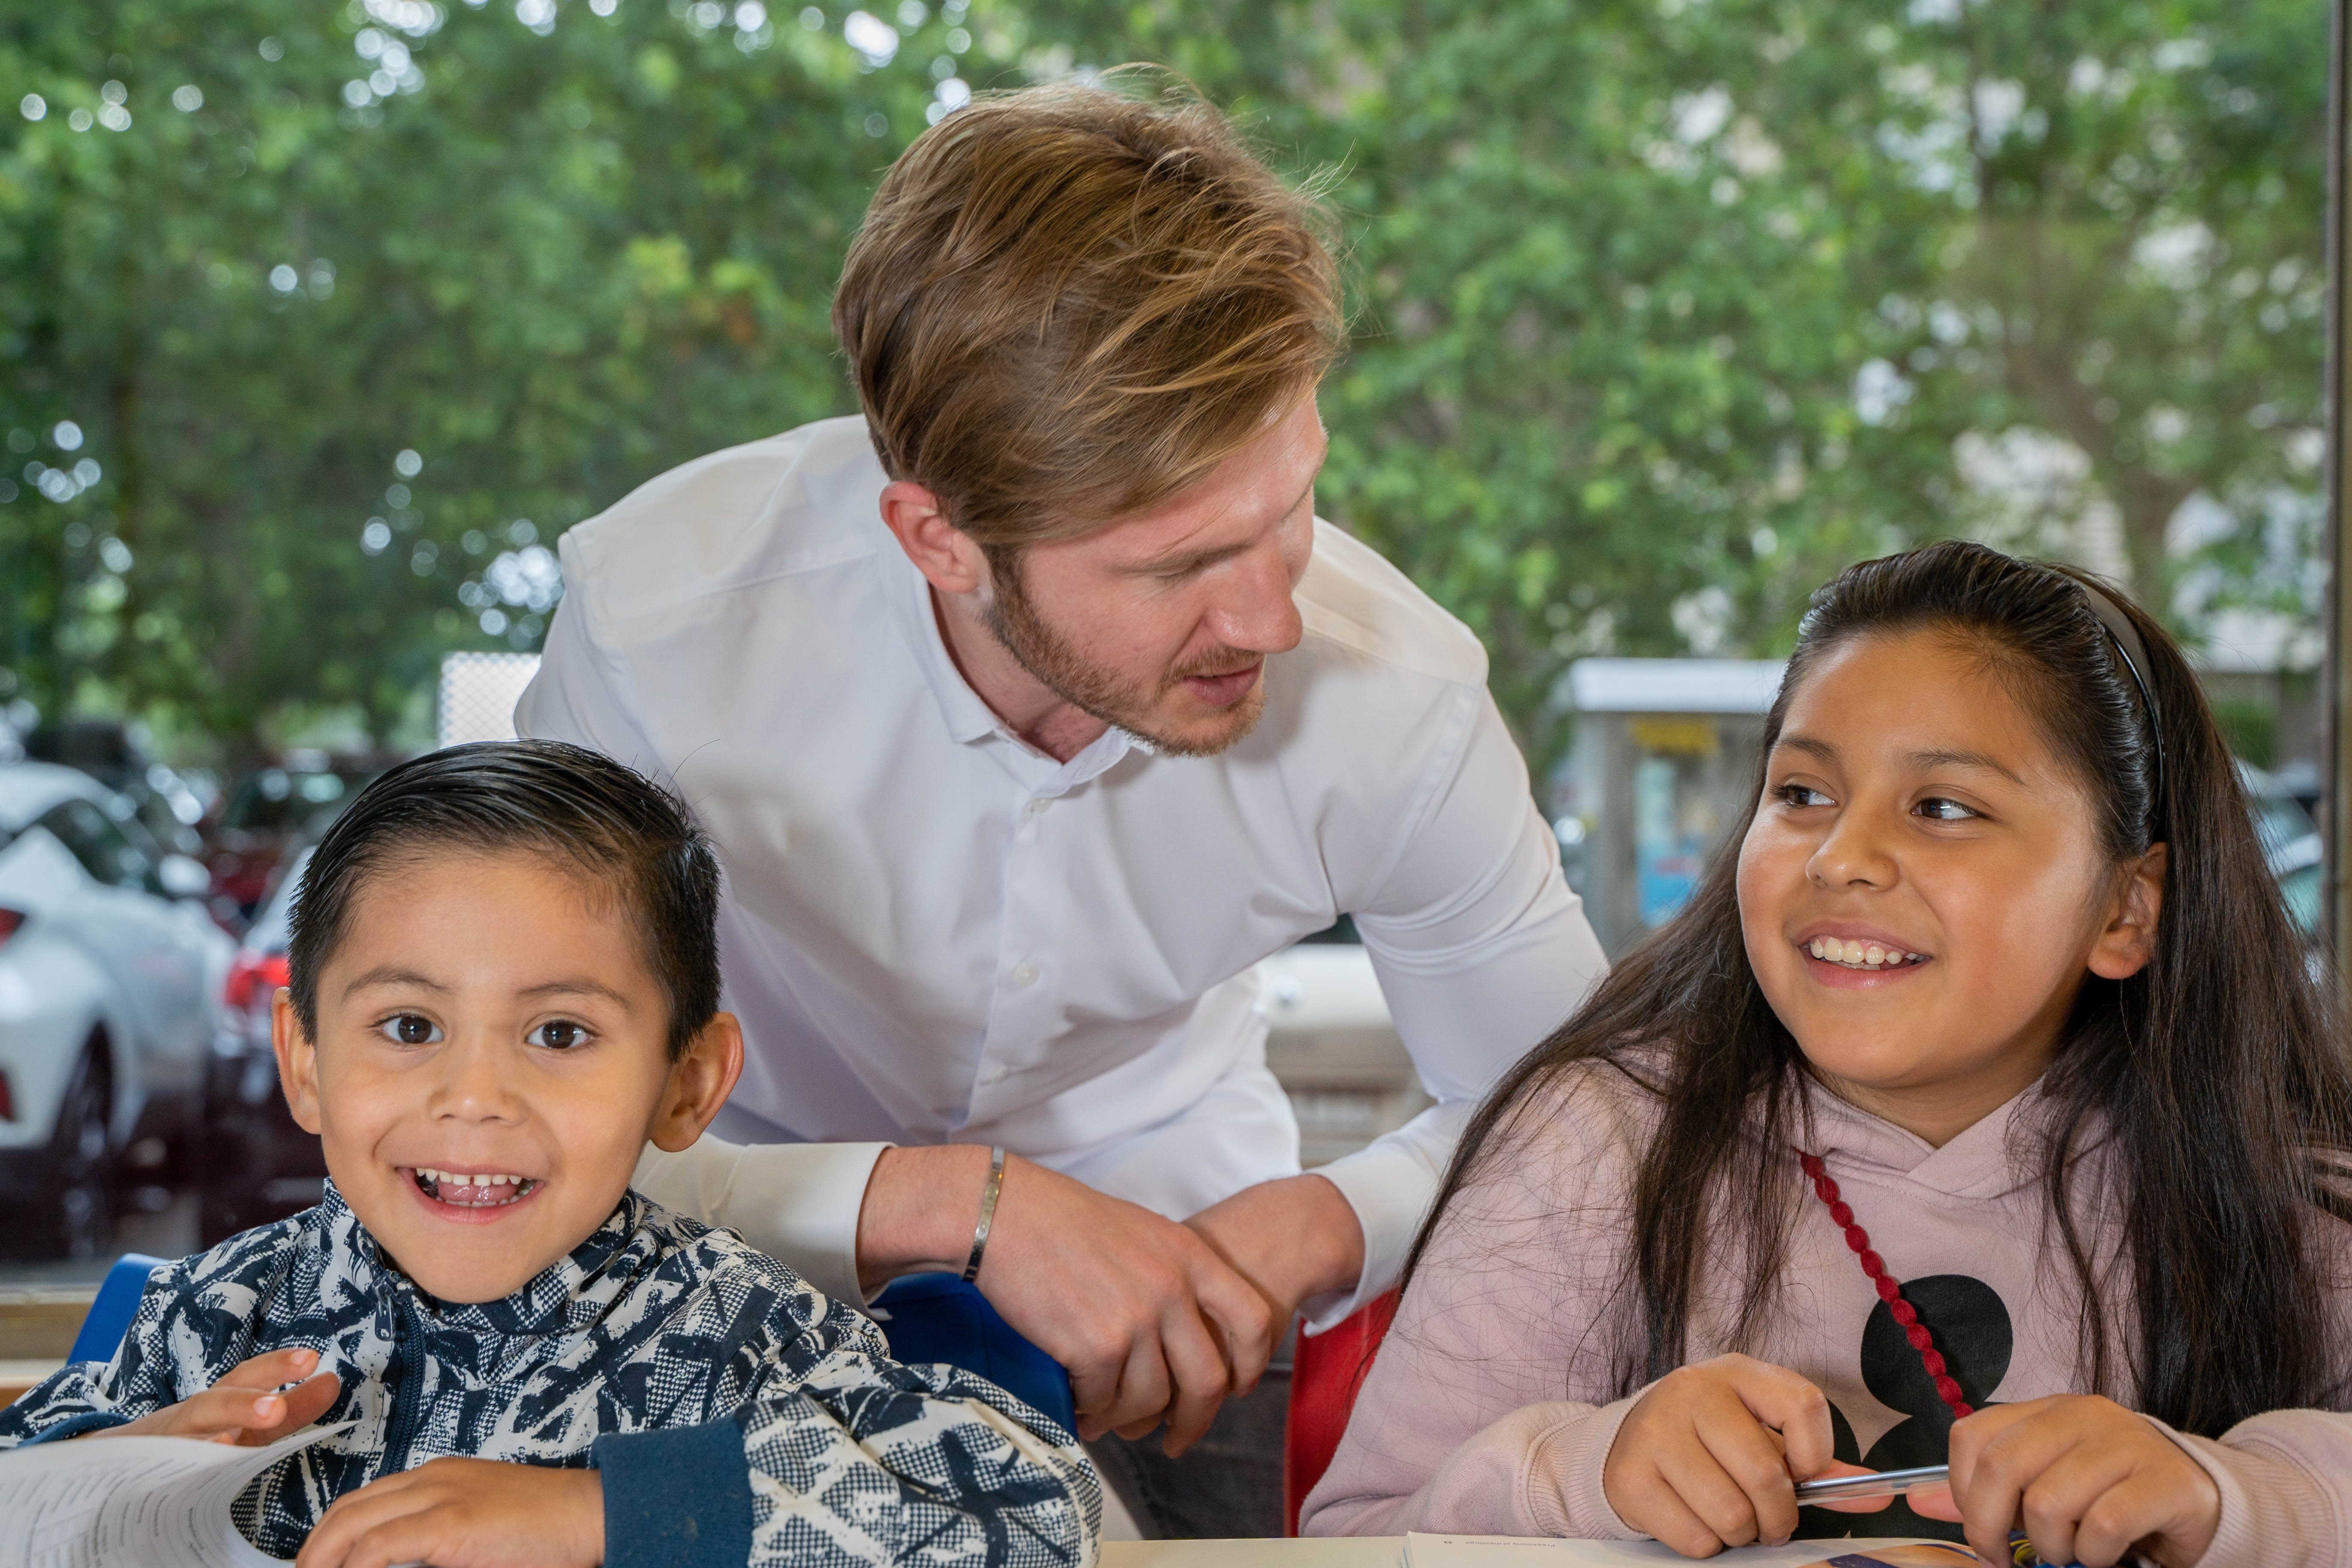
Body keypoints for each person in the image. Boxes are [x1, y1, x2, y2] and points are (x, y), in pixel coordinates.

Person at [515, 75, 1607, 1531]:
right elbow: (525, 1107)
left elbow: (1579, 1111)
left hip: (1187, 1303)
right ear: (940, 541)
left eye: (1290, 514)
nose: (1275, 623)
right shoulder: (658, 632)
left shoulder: (1402, 702)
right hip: (723, 1266)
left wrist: (1324, 1225)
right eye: (1177, 568)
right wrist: (957, 1206)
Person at [1302, 542, 2352, 1568]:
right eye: (1802, 794)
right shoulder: (1595, 1143)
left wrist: (2231, 1498)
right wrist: (1586, 1472)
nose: (1842, 857)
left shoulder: (2278, 1178)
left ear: (2126, 910)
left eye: (1944, 808)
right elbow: (1347, 1541)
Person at [0, 742, 1099, 1568]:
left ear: (687, 1083)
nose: (475, 1098)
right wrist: (140, 1448)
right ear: (306, 1062)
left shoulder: (731, 1331)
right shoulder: (216, 1315)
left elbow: (1041, 1510)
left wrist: (609, 1512)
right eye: (410, 1027)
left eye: (560, 1034)